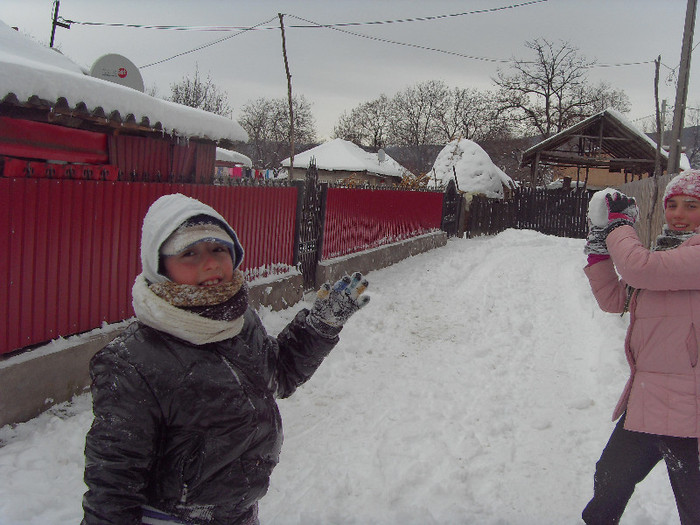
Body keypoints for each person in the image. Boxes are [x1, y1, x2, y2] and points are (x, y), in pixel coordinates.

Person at [82, 193, 370, 525]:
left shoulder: (239, 321)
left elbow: (280, 375)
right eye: (189, 252)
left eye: (218, 248)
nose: (210, 263)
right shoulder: (133, 361)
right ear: (159, 265)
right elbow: (112, 486)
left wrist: (320, 326)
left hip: (239, 513)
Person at [581, 169, 700, 524]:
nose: (678, 213)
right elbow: (616, 299)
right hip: (647, 399)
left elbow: (639, 270)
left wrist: (618, 227)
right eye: (673, 205)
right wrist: (600, 250)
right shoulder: (667, 256)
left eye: (691, 206)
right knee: (610, 480)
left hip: (690, 407)